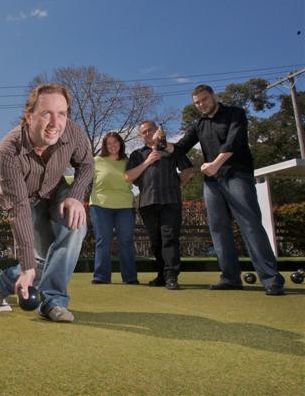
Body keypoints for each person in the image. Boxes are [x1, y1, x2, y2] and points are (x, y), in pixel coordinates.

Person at [0, 84, 94, 323]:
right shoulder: (9, 150)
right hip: (26, 201)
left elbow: (87, 165)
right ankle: (6, 281)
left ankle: (52, 302)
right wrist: (26, 268)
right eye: (46, 113)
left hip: (58, 192)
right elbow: (20, 209)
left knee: (76, 225)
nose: (56, 123)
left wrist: (76, 195)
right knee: (39, 261)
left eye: (62, 113)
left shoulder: (73, 133)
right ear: (29, 116)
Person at [165, 84, 285, 296]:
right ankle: (230, 278)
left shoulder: (235, 113)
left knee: (250, 225)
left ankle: (271, 279)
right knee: (218, 229)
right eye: (197, 103)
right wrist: (163, 143)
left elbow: (233, 141)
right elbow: (182, 146)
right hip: (212, 182)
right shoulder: (198, 124)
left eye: (204, 99)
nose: (201, 105)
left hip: (237, 175)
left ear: (213, 96)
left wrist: (215, 164)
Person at [125, 120, 193, 290]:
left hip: (171, 201)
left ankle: (171, 277)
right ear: (141, 136)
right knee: (156, 241)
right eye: (143, 132)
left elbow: (188, 170)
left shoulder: (171, 149)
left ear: (157, 131)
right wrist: (147, 162)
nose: (147, 134)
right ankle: (162, 275)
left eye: (150, 130)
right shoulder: (137, 154)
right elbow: (128, 177)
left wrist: (176, 184)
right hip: (147, 203)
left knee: (169, 239)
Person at [89, 132, 139, 285]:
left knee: (126, 241)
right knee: (103, 241)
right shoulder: (95, 161)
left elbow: (138, 178)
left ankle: (130, 277)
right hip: (100, 206)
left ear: (120, 144)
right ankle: (101, 277)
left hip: (124, 206)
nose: (112, 146)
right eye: (108, 143)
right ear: (104, 146)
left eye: (115, 142)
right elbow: (82, 178)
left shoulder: (128, 161)